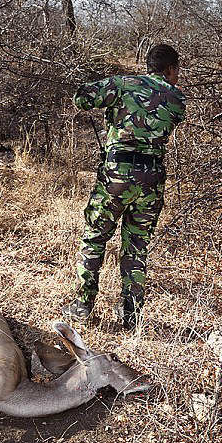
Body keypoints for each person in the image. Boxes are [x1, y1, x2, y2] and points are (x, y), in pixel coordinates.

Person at [62, 44, 186, 330]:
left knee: (95, 237)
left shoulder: (124, 84)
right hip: (152, 179)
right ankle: (131, 316)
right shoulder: (178, 98)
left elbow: (81, 98)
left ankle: (82, 306)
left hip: (116, 175)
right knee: (137, 247)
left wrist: (104, 88)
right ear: (170, 69)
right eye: (178, 69)